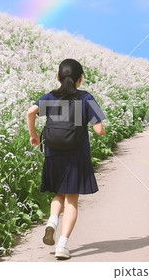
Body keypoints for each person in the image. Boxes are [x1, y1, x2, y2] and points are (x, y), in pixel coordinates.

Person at [26, 58, 106, 260]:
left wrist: (33, 135)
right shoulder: (86, 98)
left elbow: (30, 112)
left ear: (58, 78)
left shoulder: (50, 97)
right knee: (71, 199)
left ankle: (52, 220)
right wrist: (96, 125)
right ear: (80, 79)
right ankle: (62, 245)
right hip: (76, 155)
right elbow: (100, 131)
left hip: (53, 154)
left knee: (58, 193)